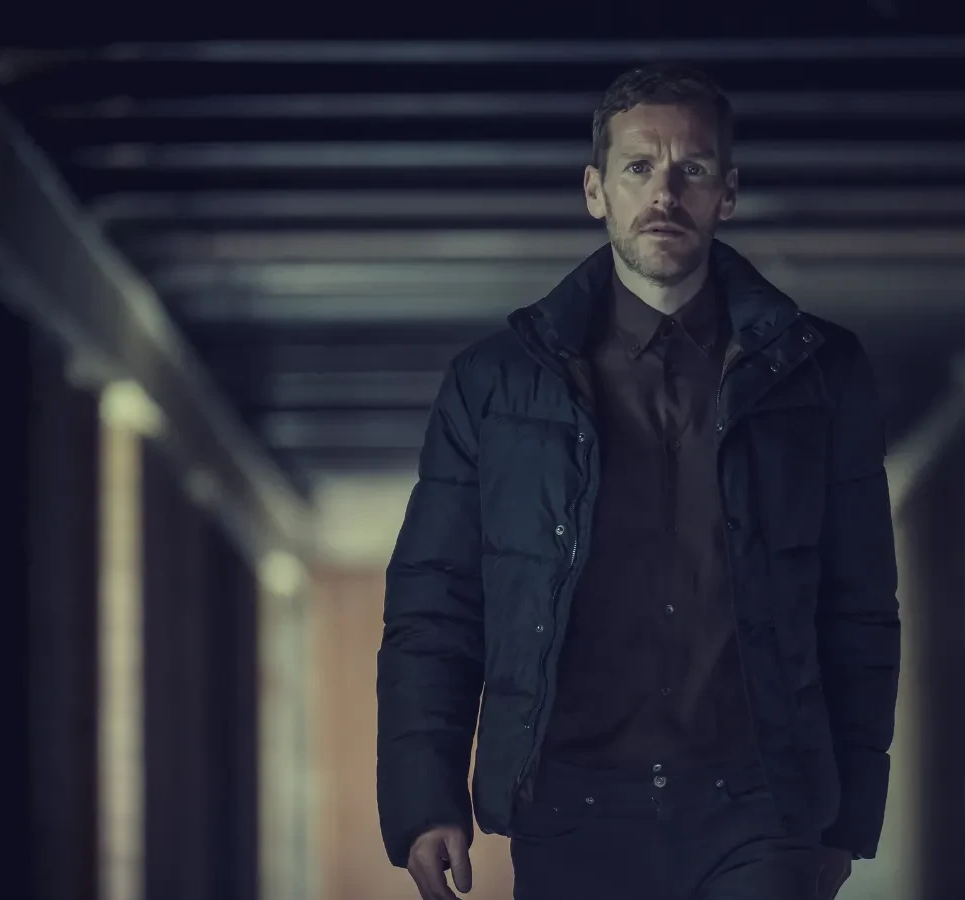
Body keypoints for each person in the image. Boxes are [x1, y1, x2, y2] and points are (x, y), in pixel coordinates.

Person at [377, 62, 901, 900]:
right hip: (571, 809)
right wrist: (424, 800)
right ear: (596, 191)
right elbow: (436, 604)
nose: (665, 192)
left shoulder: (822, 374)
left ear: (727, 193)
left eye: (692, 168)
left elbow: (859, 607)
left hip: (758, 808)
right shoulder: (495, 383)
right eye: (638, 167)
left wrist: (849, 818)